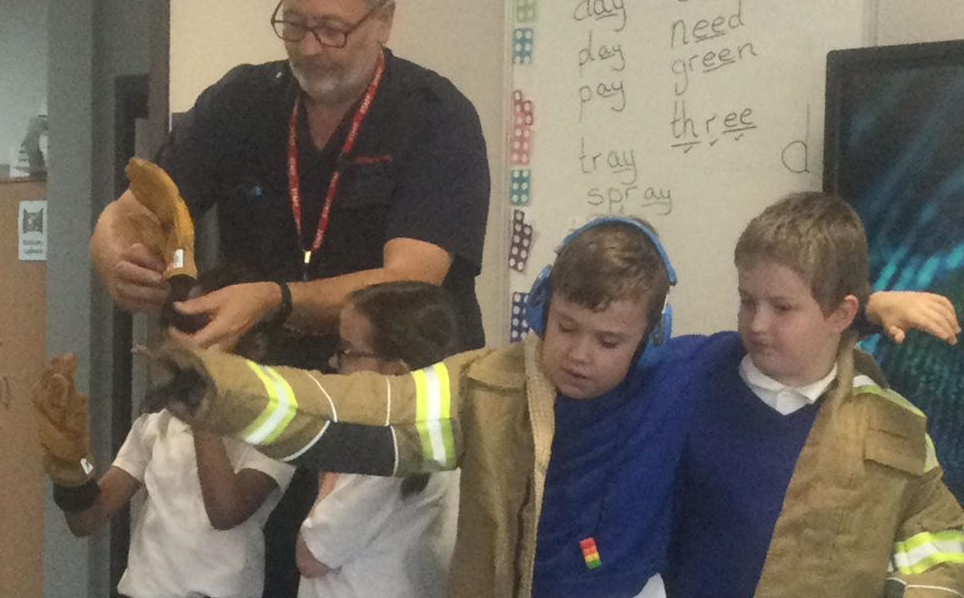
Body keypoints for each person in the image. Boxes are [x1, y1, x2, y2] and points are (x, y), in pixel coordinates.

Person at [141, 216, 959, 598]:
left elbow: (937, 537)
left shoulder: (694, 375)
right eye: (563, 327)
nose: (578, 354)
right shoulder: (501, 388)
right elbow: (366, 410)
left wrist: (864, 313)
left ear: (648, 340)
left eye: (609, 340)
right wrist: (218, 390)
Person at [89, 0, 490, 596]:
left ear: (384, 18)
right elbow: (137, 204)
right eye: (293, 24)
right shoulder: (242, 102)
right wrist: (109, 249)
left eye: (332, 29)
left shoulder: (436, 118)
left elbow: (411, 275)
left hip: (381, 418)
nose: (310, 48)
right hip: (265, 415)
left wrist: (274, 298)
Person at [665, 192, 964, 597]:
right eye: (747, 301)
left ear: (841, 314)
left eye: (782, 308)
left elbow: (939, 539)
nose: (757, 323)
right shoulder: (690, 374)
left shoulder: (894, 429)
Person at [33, 352, 295, 598]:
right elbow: (88, 519)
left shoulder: (273, 431)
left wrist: (203, 417)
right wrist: (72, 465)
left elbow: (226, 512)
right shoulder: (156, 424)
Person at [295, 281, 460, 598]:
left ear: (396, 373)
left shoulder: (383, 452)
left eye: (347, 351)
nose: (333, 363)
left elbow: (311, 557)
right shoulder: (439, 427)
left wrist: (334, 462)